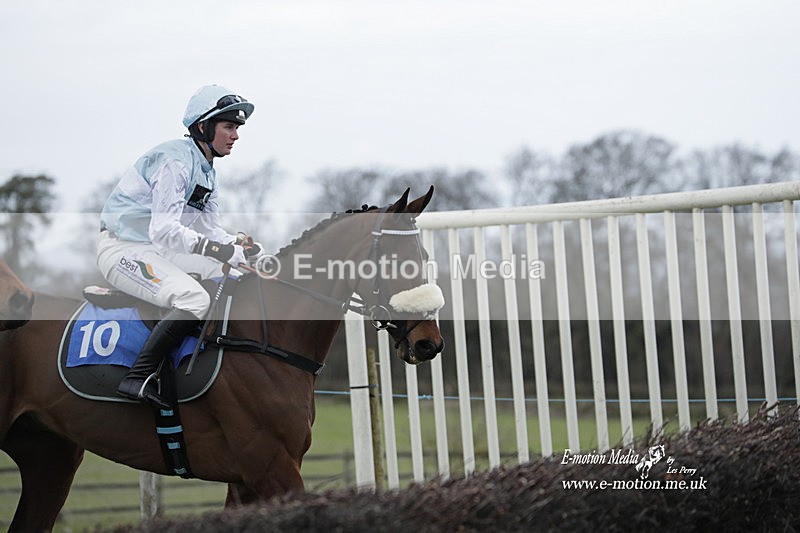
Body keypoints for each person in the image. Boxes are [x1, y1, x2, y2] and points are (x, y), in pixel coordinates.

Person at [97, 84, 264, 409]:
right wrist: (219, 251)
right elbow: (164, 231)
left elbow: (211, 230)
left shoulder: (207, 170)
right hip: (123, 249)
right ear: (203, 127)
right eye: (229, 127)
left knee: (240, 272)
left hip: (155, 249)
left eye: (237, 128)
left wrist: (239, 249)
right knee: (193, 298)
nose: (236, 135)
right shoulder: (175, 161)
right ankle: (137, 377)